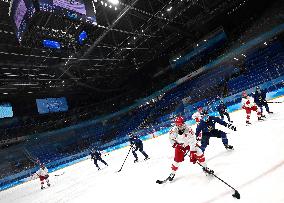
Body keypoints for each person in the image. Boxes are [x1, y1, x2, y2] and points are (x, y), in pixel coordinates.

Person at [166, 116, 214, 182]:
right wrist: (175, 145)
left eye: (180, 124)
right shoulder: (173, 130)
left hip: (189, 144)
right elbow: (171, 139)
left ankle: (205, 168)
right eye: (177, 124)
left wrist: (192, 152)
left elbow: (193, 141)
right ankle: (172, 173)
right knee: (177, 161)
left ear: (183, 123)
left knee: (199, 152)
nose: (179, 126)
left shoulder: (189, 129)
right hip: (179, 146)